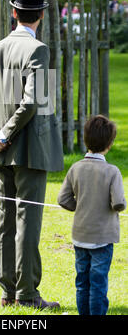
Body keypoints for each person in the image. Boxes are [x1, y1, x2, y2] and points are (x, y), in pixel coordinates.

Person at [0, 0, 64, 310]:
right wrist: (5, 134)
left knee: (5, 221)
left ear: (13, 13)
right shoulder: (38, 49)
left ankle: (7, 293)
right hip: (28, 149)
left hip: (1, 148)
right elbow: (32, 102)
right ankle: (26, 294)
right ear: (41, 14)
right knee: (26, 221)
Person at [57, 115, 127, 315]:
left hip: (80, 236)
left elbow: (63, 199)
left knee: (82, 282)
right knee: (98, 283)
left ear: (85, 140)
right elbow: (119, 203)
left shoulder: (75, 168)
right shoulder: (112, 171)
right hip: (103, 239)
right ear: (110, 144)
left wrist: (80, 207)